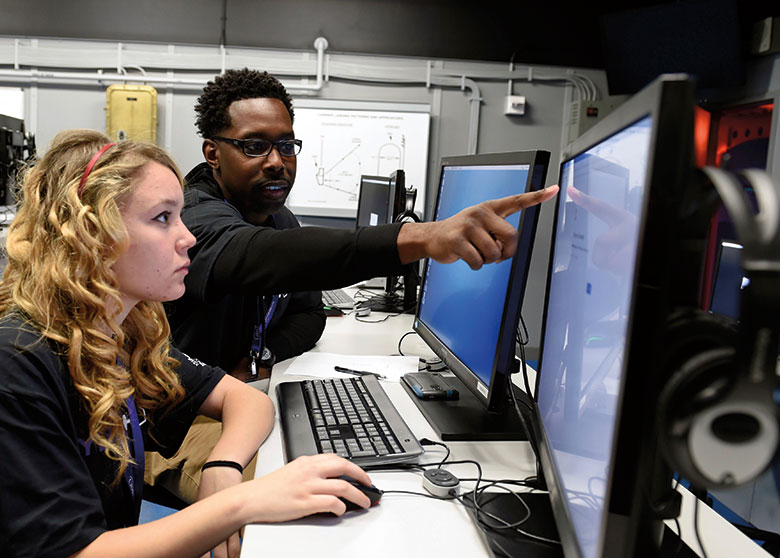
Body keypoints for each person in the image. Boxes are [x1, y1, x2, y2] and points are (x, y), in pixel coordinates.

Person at [0, 129, 376, 558]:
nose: (188, 238)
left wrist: (222, 473)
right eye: (163, 218)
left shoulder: (114, 332)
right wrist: (242, 505)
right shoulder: (15, 364)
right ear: (92, 236)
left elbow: (245, 399)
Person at [150, 68, 557, 507]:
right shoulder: (192, 219)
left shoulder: (276, 217)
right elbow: (258, 255)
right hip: (180, 425)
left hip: (242, 403)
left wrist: (259, 357)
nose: (276, 161)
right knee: (292, 500)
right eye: (255, 146)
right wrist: (422, 237)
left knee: (332, 471)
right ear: (213, 152)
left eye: (286, 146)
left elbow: (308, 316)